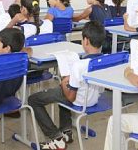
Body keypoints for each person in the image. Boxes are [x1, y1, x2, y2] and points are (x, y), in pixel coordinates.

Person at [28, 21, 106, 150]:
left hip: (80, 101)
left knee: (34, 99)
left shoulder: (79, 66)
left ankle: (56, 138)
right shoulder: (104, 60)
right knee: (63, 92)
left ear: (86, 41)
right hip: (94, 98)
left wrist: (64, 81)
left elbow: (70, 98)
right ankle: (66, 131)